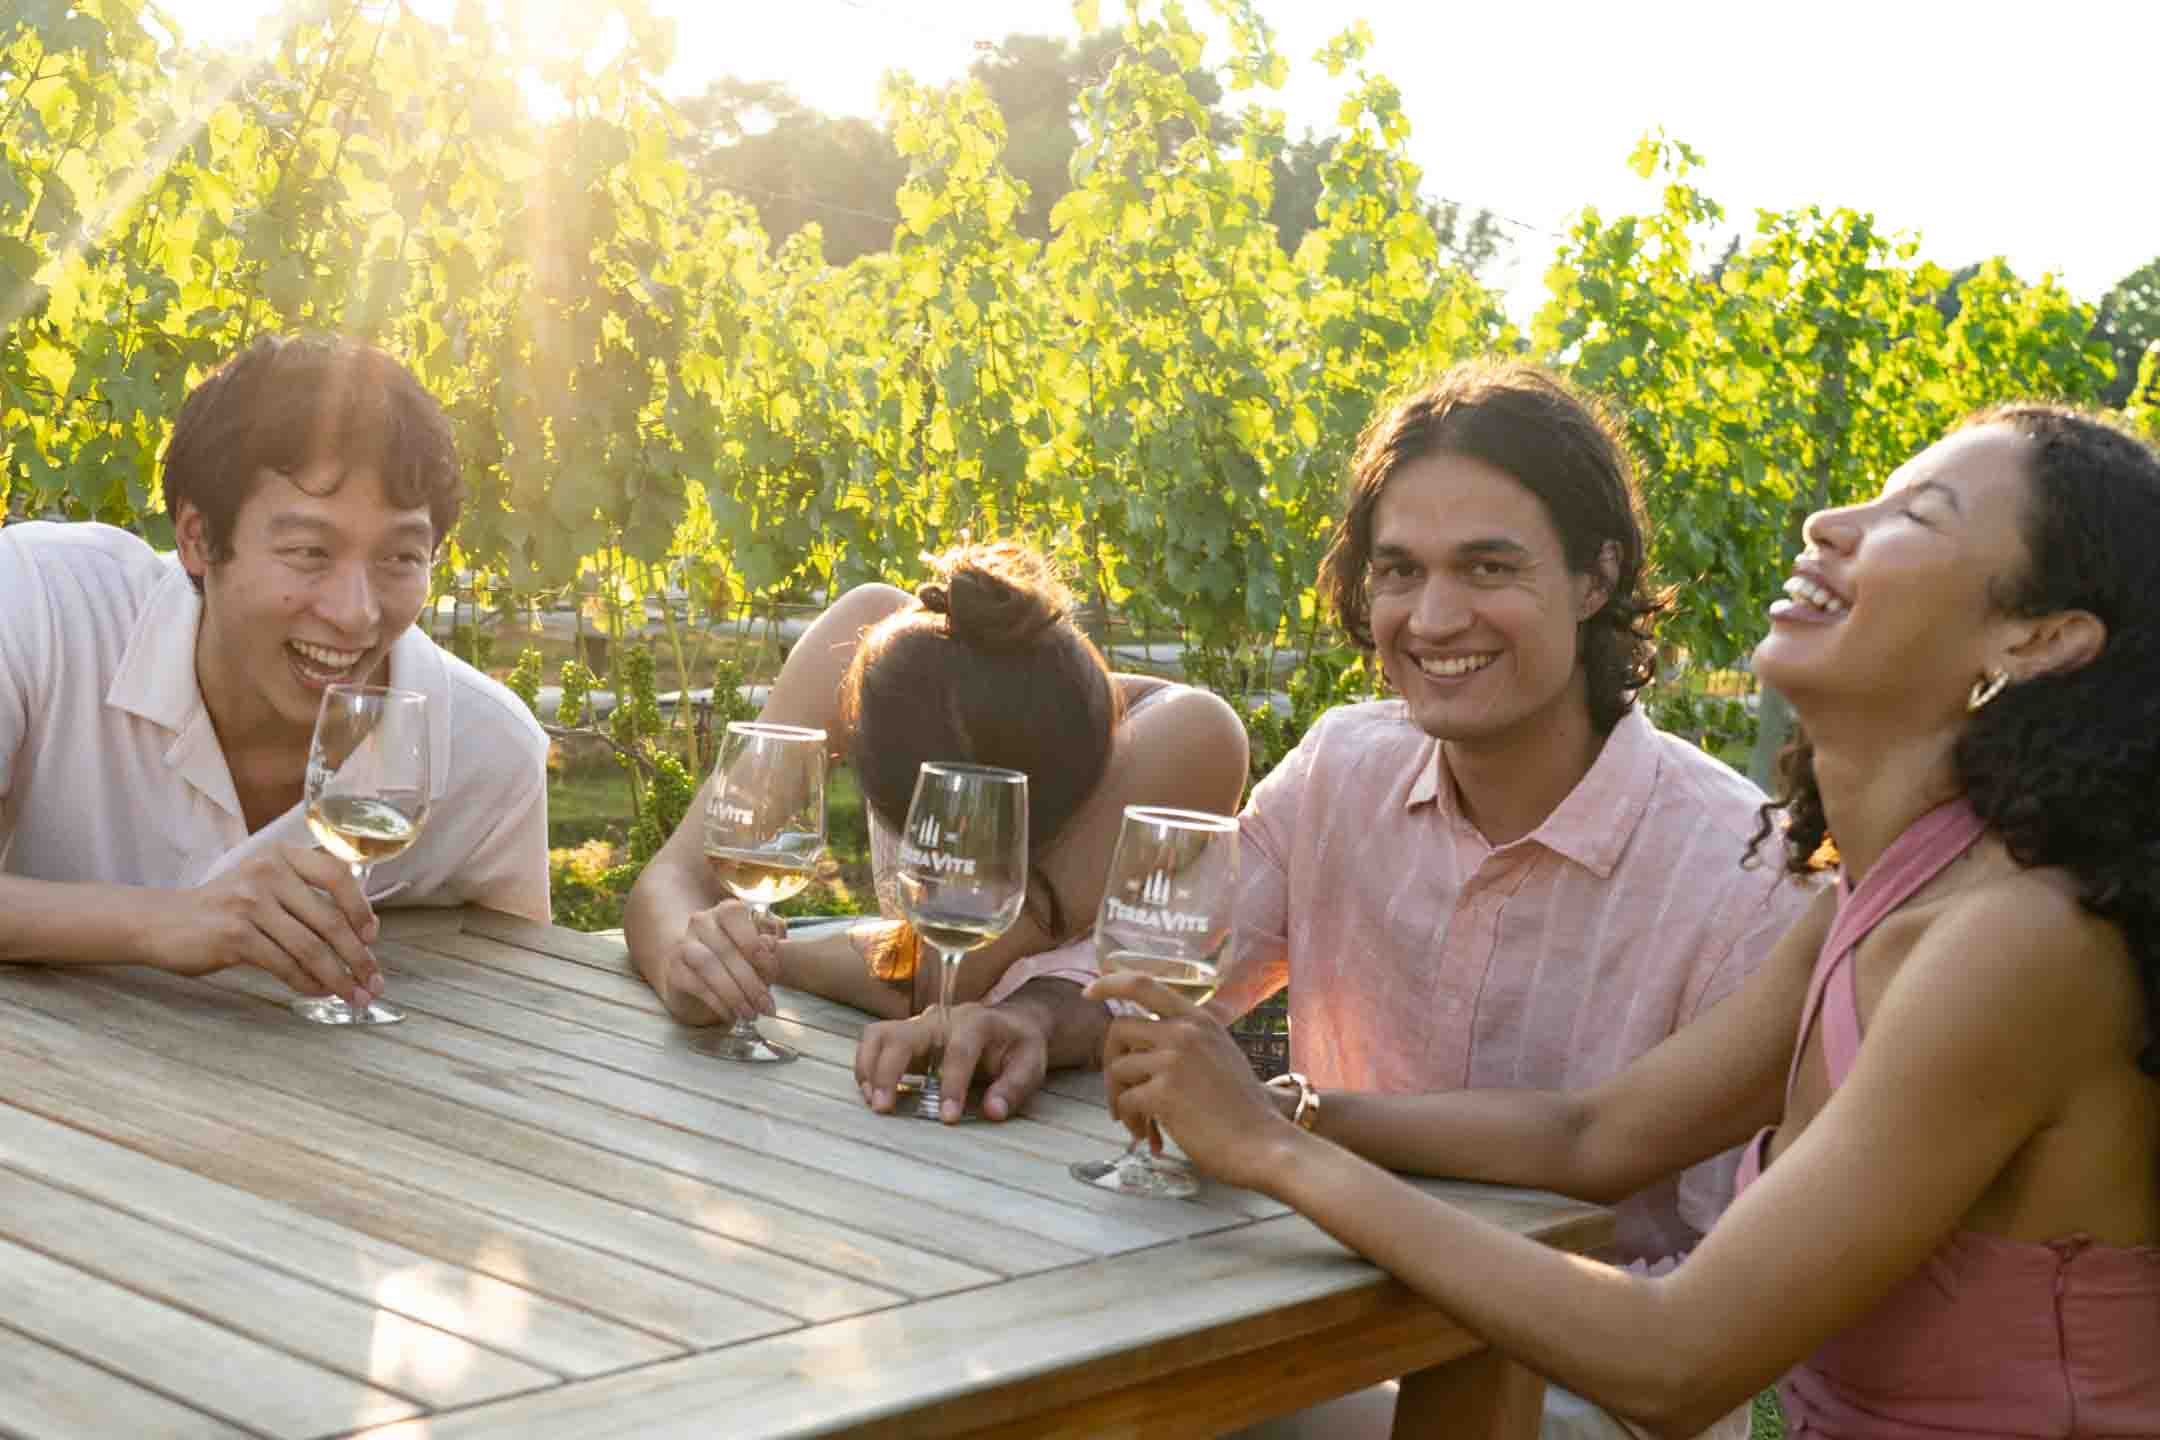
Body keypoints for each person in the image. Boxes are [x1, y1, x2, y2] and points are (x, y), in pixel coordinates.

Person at [1099, 404, 2160, 1437]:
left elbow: (1675, 1362)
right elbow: (1595, 1134)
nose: (1827, 525)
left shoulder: (2019, 943)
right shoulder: (1884, 894)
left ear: (2039, 641)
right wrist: (1286, 1114)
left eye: (1913, 518)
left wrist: (1276, 1157)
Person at [907, 361, 1814, 1440]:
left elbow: (1647, 1218)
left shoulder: (1743, 873)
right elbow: (1163, 962)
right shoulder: (1345, 765)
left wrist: (1278, 1123)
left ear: (1596, 576)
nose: (1433, 618)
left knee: (1093, 1410)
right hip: (1321, 1303)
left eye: (1487, 566)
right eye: (1398, 571)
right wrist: (1029, 1017)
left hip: (1573, 1395)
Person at [0, 334, 551, 1006]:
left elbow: (523, 1004)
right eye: (309, 551)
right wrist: (167, 923)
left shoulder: (486, 753)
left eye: (401, 558)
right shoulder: (43, 605)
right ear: (199, 538)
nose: (355, 614)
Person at [624, 540, 1248, 1121]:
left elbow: (936, 978)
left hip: (1083, 1117)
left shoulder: (1185, 738)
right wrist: (689, 964)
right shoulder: (866, 642)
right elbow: (673, 876)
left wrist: (767, 954)